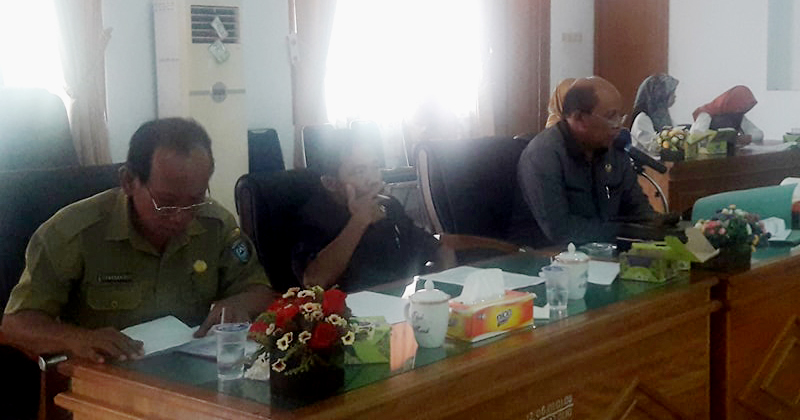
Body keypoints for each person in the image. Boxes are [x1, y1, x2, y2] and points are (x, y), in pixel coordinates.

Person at [2, 118, 274, 364]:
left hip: (194, 372)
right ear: (129, 181)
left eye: (195, 200)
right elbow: (14, 326)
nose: (181, 217)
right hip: (105, 378)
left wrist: (239, 304)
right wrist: (78, 339)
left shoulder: (216, 224)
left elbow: (259, 290)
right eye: (166, 203)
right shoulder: (71, 233)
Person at [293, 129, 449, 291]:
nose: (374, 179)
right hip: (349, 306)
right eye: (359, 172)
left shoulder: (388, 205)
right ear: (330, 183)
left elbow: (435, 247)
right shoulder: (313, 218)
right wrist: (360, 220)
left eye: (375, 167)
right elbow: (314, 282)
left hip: (398, 300)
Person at [514, 76, 659, 247]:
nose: (618, 125)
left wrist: (656, 225)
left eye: (620, 117)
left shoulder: (613, 150)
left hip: (604, 250)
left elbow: (637, 207)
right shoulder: (543, 155)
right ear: (579, 118)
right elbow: (560, 231)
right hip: (549, 255)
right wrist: (623, 230)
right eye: (611, 117)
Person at [691, 85, 764, 144]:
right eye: (739, 106)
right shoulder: (706, 114)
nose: (740, 110)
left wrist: (747, 138)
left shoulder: (737, 115)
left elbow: (759, 134)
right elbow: (697, 136)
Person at [630, 74, 679, 153]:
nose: (675, 96)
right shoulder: (642, 119)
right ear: (660, 95)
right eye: (672, 93)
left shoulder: (665, 117)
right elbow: (653, 147)